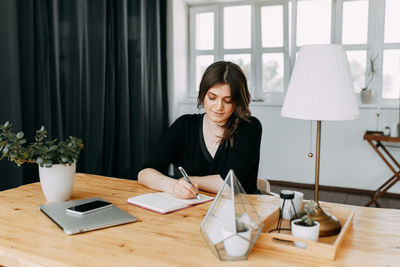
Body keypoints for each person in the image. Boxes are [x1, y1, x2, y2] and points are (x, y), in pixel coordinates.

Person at [138, 61, 262, 198]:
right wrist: (173, 186)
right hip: (192, 209)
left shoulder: (250, 127)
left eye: (227, 100)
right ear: (203, 95)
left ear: (238, 101)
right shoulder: (184, 125)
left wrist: (187, 181)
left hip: (240, 212)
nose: (218, 107)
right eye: (212, 97)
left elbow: (228, 186)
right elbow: (144, 173)